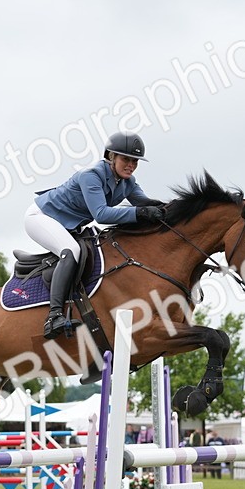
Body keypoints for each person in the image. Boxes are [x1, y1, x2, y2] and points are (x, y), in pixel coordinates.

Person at [25, 131, 166, 339]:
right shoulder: (91, 175)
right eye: (126, 159)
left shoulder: (128, 182)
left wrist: (171, 210)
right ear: (111, 157)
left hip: (71, 225)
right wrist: (141, 213)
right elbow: (100, 214)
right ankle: (54, 316)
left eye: (135, 161)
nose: (131, 165)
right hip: (41, 217)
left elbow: (144, 203)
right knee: (71, 251)